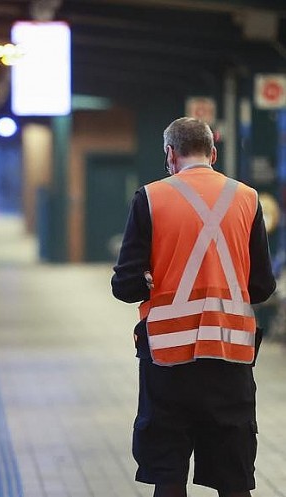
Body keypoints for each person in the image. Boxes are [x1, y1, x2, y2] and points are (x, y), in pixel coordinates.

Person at [112, 116, 276, 497]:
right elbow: (262, 286)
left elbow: (125, 286)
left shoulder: (150, 197)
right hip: (230, 358)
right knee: (233, 478)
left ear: (170, 154)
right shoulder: (248, 198)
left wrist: (151, 280)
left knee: (168, 475)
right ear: (213, 153)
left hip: (168, 361)